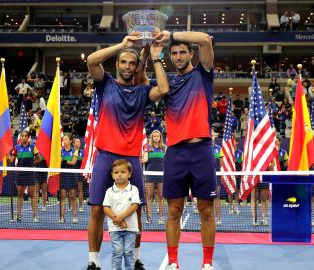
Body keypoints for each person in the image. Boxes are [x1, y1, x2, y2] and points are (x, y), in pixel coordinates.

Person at [85, 32, 168, 270]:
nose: (128, 66)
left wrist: (155, 56)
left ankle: (137, 258)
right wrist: (123, 45)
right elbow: (92, 60)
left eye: (132, 63)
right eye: (123, 62)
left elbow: (163, 88)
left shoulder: (143, 92)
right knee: (97, 211)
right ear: (117, 64)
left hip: (131, 159)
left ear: (136, 67)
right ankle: (93, 261)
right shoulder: (105, 84)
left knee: (136, 213)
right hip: (104, 156)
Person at [154, 30, 216, 270]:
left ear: (191, 54)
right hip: (176, 154)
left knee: (206, 211)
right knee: (174, 211)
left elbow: (205, 40)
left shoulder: (204, 74)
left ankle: (207, 263)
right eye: (174, 54)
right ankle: (173, 262)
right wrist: (153, 55)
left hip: (201, 150)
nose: (178, 57)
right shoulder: (166, 82)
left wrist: (170, 35)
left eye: (182, 52)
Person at [103, 159, 140, 270]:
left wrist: (121, 217)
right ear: (112, 175)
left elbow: (134, 206)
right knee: (117, 252)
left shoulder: (134, 189)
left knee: (129, 252)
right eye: (116, 172)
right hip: (115, 228)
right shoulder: (109, 191)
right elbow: (105, 208)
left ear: (129, 174)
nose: (119, 174)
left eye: (123, 172)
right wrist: (117, 219)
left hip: (131, 228)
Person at [8, 130, 41, 223]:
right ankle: (18, 215)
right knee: (20, 195)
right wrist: (8, 156)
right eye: (22, 136)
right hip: (20, 173)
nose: (23, 137)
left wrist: (32, 165)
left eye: (25, 136)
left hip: (30, 173)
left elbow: (39, 159)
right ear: (20, 137)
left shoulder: (33, 147)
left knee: (32, 194)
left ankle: (35, 216)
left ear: (28, 137)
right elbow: (12, 160)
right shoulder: (17, 148)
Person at [142, 130, 166, 225]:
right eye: (154, 136)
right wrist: (138, 159)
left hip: (161, 175)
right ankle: (149, 217)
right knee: (149, 197)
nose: (156, 138)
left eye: (158, 136)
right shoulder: (147, 148)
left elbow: (168, 161)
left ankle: (161, 218)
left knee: (160, 197)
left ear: (160, 137)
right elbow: (145, 159)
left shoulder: (164, 148)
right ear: (152, 138)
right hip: (150, 174)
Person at [60, 134, 79, 224]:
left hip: (71, 175)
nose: (64, 141)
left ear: (70, 141)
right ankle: (62, 217)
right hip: (63, 175)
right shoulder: (60, 151)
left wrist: (63, 161)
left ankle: (75, 217)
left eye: (66, 139)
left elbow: (73, 162)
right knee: (62, 197)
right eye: (63, 139)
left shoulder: (75, 151)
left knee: (73, 197)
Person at [73, 137, 85, 212]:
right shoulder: (71, 151)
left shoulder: (83, 152)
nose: (79, 143)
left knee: (80, 189)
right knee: (72, 190)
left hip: (80, 173)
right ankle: (71, 206)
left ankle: (80, 206)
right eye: (77, 142)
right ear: (74, 143)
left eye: (79, 142)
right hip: (72, 173)